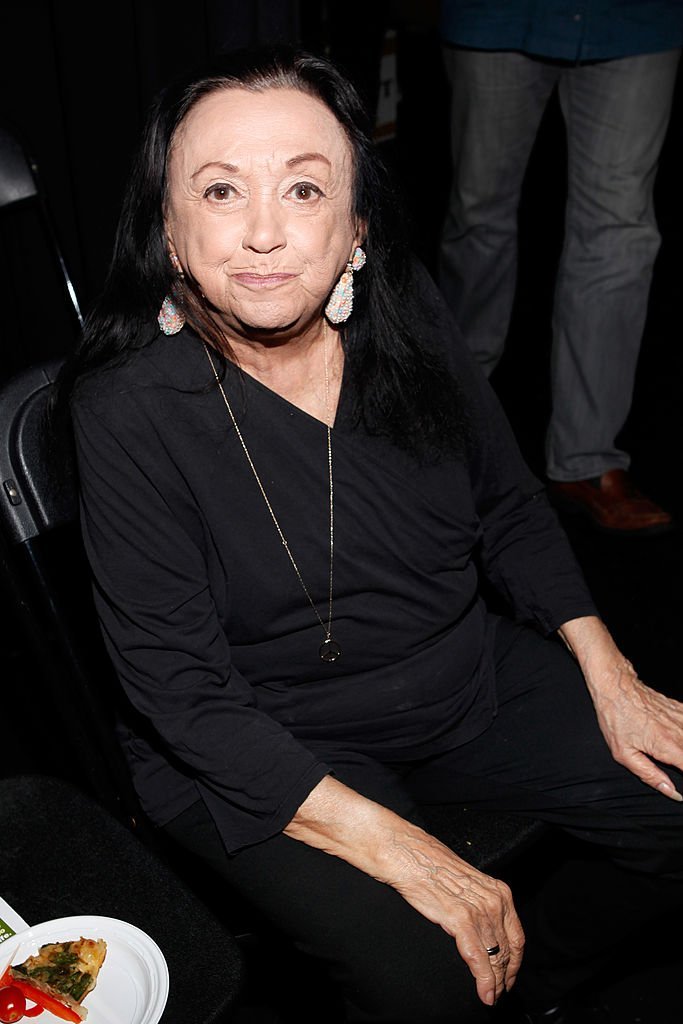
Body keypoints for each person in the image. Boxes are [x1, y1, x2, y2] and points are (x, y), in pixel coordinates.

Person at [55, 44, 683, 1024]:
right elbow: (184, 698)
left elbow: (509, 504)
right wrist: (406, 849)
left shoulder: (410, 319)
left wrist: (614, 677)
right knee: (427, 973)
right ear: (169, 231)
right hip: (258, 741)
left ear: (353, 226)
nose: (262, 232)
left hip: (454, 676)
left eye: (302, 189)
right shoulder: (123, 408)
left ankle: (539, 980)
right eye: (220, 191)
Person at [437, 1, 682, 536]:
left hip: (636, 22)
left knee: (620, 232)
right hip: (500, 16)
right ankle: (447, 427)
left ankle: (588, 459)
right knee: (479, 214)